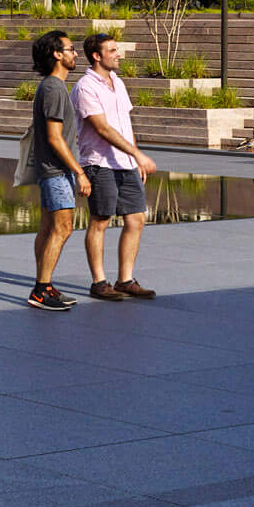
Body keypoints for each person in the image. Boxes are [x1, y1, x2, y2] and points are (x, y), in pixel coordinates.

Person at [74, 31, 158, 300]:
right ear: (97, 56)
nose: (118, 54)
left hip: (125, 163)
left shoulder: (117, 83)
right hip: (99, 164)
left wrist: (135, 158)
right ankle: (99, 282)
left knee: (137, 219)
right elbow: (102, 128)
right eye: (112, 50)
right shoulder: (85, 87)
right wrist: (138, 154)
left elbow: (125, 123)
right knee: (100, 220)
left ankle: (125, 280)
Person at [26, 29, 86, 310]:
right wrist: (80, 172)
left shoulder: (53, 87)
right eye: (71, 49)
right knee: (62, 229)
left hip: (53, 171)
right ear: (56, 54)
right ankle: (41, 290)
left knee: (49, 228)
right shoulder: (53, 88)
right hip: (56, 172)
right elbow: (54, 137)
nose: (76, 53)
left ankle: (45, 285)